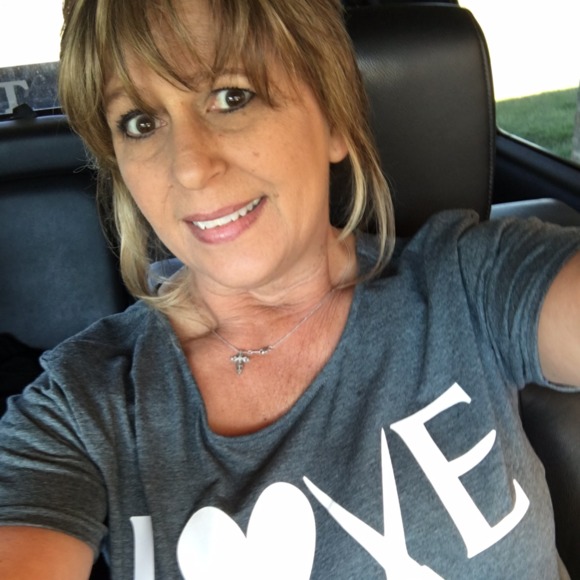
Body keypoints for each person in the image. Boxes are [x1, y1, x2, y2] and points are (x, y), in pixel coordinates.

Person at [0, 0, 579, 577]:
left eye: (232, 96)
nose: (189, 167)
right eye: (141, 123)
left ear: (333, 118)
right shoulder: (82, 409)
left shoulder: (471, 281)